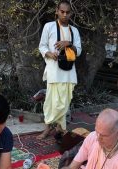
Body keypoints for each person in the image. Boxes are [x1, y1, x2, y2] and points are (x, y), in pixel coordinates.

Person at [38, 0, 82, 139]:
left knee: (65, 101)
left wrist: (68, 44)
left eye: (67, 12)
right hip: (54, 70)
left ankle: (60, 128)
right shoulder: (49, 26)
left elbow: (79, 51)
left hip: (69, 72)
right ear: (57, 11)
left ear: (71, 13)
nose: (64, 15)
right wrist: (49, 53)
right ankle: (47, 129)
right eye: (62, 11)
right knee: (51, 102)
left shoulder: (74, 31)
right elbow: (42, 46)